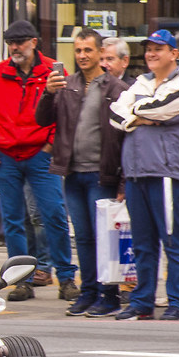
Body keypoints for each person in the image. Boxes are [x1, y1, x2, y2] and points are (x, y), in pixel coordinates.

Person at [108, 30, 179, 321]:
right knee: (142, 242)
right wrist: (139, 119)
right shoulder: (141, 81)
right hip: (136, 171)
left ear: (174, 53)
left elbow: (164, 108)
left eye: (158, 49)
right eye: (149, 49)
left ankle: (178, 301)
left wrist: (137, 113)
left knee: (173, 240)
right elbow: (116, 112)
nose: (151, 54)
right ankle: (142, 301)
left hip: (167, 172)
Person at [0, 20, 74, 298]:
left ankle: (66, 277)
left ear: (34, 41)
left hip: (40, 153)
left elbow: (64, 110)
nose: (15, 47)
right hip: (6, 155)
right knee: (13, 220)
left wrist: (52, 142)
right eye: (10, 42)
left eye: (20, 41)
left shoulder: (53, 71)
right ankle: (22, 280)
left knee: (54, 214)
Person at [47, 27, 126, 316]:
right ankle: (89, 291)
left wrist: (122, 180)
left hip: (100, 173)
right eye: (78, 50)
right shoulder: (67, 85)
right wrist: (47, 93)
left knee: (102, 236)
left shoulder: (115, 87)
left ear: (99, 53)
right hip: (73, 173)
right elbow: (42, 119)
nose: (82, 55)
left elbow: (126, 135)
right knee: (82, 236)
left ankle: (109, 294)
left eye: (88, 50)